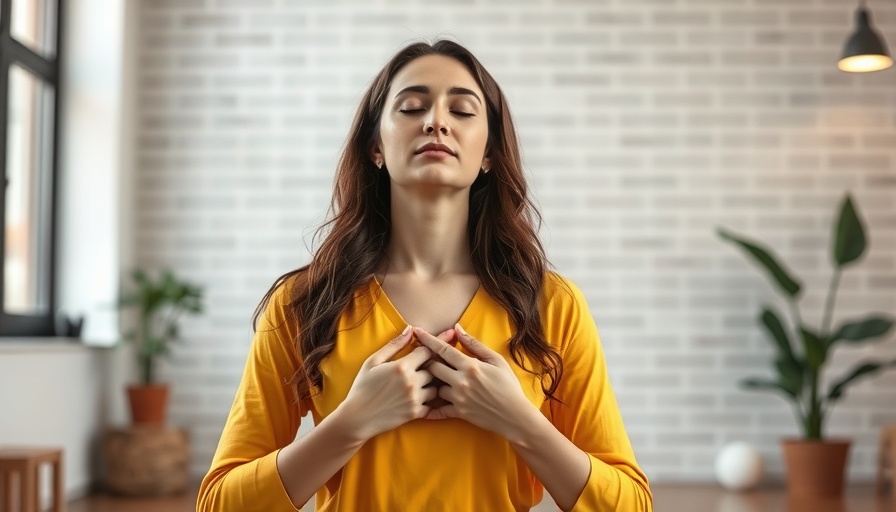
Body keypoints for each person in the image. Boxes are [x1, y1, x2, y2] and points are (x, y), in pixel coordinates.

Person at [197, 39, 652, 512]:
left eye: (463, 110)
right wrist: (350, 424)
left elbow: (630, 505)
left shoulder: (552, 305)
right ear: (375, 146)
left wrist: (521, 422)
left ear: (490, 152)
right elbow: (219, 504)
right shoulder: (305, 303)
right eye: (412, 108)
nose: (436, 121)